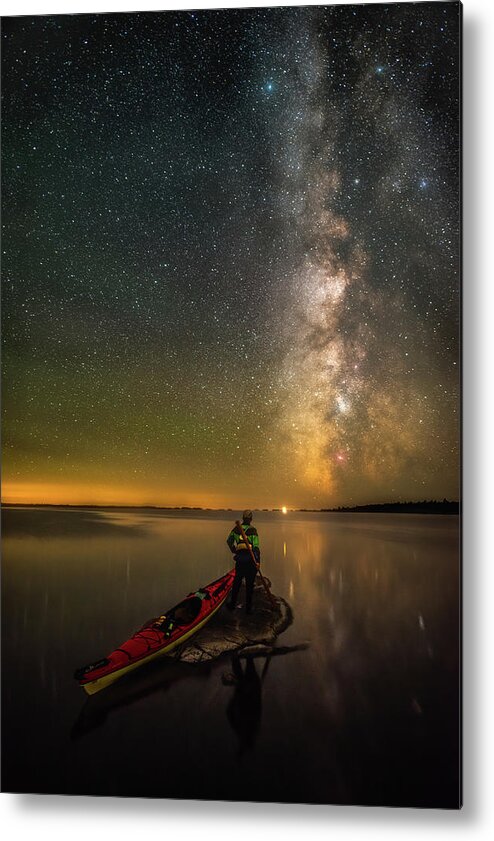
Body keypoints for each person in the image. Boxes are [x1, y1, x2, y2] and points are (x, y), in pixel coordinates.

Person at [226, 509, 260, 614]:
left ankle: (232, 605)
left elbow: (229, 541)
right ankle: (248, 609)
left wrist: (234, 550)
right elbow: (256, 548)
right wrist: (258, 562)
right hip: (250, 562)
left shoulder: (236, 529)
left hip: (240, 561)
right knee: (249, 586)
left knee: (237, 583)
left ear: (243, 518)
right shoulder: (253, 530)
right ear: (251, 519)